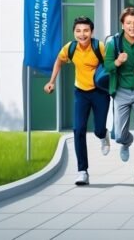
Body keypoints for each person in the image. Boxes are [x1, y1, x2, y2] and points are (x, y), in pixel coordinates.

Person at [44, 16, 109, 186]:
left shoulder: (99, 47)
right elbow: (59, 60)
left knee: (99, 129)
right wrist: (51, 81)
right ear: (74, 32)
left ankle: (103, 136)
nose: (82, 34)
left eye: (86, 30)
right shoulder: (70, 48)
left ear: (92, 32)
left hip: (100, 92)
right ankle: (82, 171)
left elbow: (110, 66)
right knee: (78, 129)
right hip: (81, 92)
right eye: (78, 31)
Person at [104, 7, 134, 191]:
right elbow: (107, 66)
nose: (132, 26)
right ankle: (126, 141)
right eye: (128, 23)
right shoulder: (113, 43)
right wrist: (117, 61)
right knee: (118, 134)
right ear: (122, 25)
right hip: (121, 91)